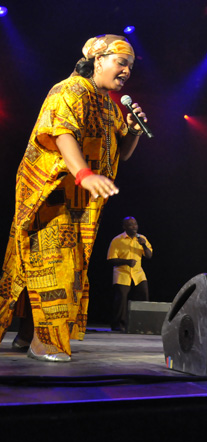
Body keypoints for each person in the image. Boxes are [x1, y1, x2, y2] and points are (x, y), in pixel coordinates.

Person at [0, 34, 148, 362]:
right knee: (58, 266)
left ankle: (26, 335)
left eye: (131, 67)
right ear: (98, 60)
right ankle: (46, 342)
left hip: (83, 205)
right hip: (52, 195)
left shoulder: (108, 106)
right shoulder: (69, 90)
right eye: (121, 62)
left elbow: (121, 153)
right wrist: (83, 173)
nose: (127, 71)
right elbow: (60, 132)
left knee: (42, 266)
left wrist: (135, 130)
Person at [107, 216, 153, 332]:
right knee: (121, 299)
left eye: (135, 224)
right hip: (122, 273)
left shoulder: (142, 238)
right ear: (125, 227)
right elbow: (111, 259)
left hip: (138, 273)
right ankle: (118, 325)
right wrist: (126, 262)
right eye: (131, 225)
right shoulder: (117, 240)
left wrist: (143, 245)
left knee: (143, 297)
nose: (134, 227)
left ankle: (142, 324)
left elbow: (149, 255)